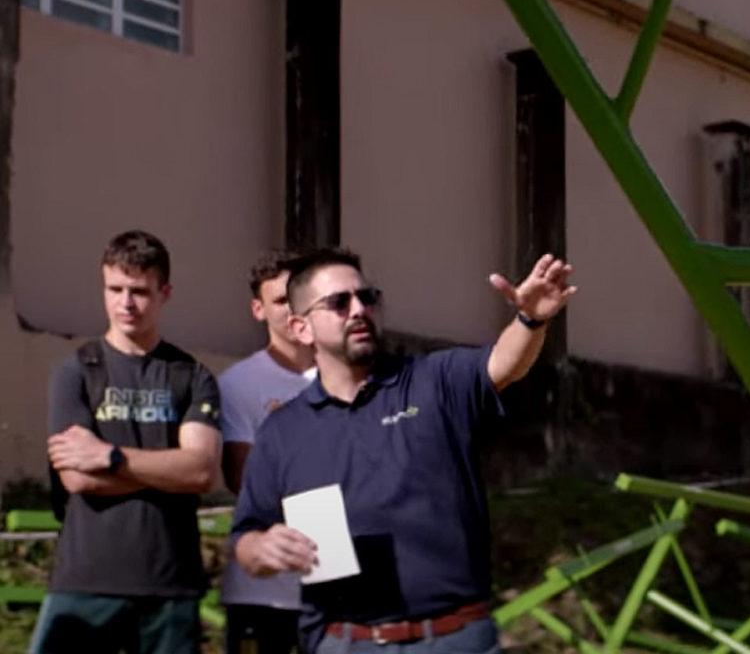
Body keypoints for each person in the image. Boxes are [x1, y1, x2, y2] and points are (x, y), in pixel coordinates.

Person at [231, 247, 576, 654]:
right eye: (339, 303)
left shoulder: (434, 381)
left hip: (455, 639)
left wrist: (531, 319)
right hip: (345, 643)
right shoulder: (283, 430)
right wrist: (263, 547)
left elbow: (504, 364)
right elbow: (245, 540)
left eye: (367, 297)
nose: (358, 309)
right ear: (300, 327)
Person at [30, 230, 222, 654]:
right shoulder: (76, 371)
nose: (126, 303)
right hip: (85, 580)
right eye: (114, 289)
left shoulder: (189, 375)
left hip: (170, 583)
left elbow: (203, 471)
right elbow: (77, 479)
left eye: (139, 291)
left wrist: (109, 456)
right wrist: (169, 471)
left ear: (164, 293)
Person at [220, 250, 317, 654]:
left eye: (298, 296)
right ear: (258, 310)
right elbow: (244, 479)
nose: (291, 309)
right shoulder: (239, 383)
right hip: (263, 593)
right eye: (279, 300)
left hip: (343, 591)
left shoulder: (351, 379)